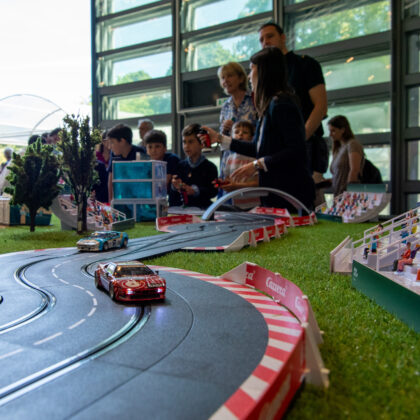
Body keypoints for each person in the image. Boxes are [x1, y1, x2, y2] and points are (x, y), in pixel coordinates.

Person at [200, 47, 315, 212]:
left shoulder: (282, 103)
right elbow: (259, 148)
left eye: (252, 69)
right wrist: (220, 138)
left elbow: (296, 150)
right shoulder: (269, 106)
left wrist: (257, 164)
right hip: (275, 193)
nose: (249, 76)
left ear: (264, 72)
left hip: (291, 193)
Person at [258, 22, 328, 187]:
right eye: (261, 40)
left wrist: (300, 139)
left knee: (308, 198)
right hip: (278, 151)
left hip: (305, 144)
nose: (265, 42)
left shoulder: (305, 65)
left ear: (283, 38)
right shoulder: (267, 75)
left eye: (270, 36)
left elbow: (320, 106)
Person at [169, 124, 218, 209]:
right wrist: (174, 186)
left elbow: (213, 191)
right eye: (184, 142)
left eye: (191, 142)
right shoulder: (179, 166)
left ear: (202, 144)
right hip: (182, 211)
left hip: (202, 210)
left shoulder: (210, 167)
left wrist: (195, 191)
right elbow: (172, 196)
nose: (186, 146)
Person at [218, 120, 260, 209]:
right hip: (236, 205)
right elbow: (228, 179)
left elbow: (258, 183)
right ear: (231, 136)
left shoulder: (254, 159)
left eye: (245, 132)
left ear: (252, 137)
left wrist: (236, 186)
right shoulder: (229, 158)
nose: (240, 134)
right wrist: (223, 183)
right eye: (236, 132)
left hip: (255, 205)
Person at [107, 124, 148, 201]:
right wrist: (111, 201)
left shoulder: (140, 153)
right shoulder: (114, 154)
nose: (110, 147)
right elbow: (111, 178)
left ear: (122, 141)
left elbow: (144, 181)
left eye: (112, 142)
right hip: (122, 197)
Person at [328, 115, 364, 197]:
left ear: (343, 130)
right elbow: (338, 175)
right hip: (338, 194)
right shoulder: (338, 149)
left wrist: (348, 195)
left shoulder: (352, 144)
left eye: (333, 131)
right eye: (330, 131)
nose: (330, 134)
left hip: (347, 196)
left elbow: (354, 170)